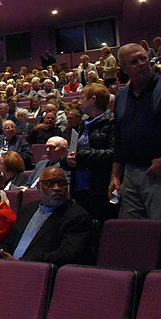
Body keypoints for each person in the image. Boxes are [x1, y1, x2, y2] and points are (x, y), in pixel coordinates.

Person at [111, 43, 161, 226]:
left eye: (143, 58)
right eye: (134, 62)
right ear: (123, 68)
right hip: (131, 175)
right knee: (136, 233)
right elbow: (119, 139)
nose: (141, 63)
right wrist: (115, 176)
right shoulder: (121, 97)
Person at [0, 166, 92, 265]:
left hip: (39, 270)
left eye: (62, 183)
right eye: (49, 183)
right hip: (10, 266)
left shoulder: (77, 216)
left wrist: (22, 261)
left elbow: (67, 254)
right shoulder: (27, 210)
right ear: (38, 187)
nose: (57, 188)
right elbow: (9, 242)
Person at [67, 82, 117, 221]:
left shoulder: (112, 122)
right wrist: (68, 160)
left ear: (93, 99)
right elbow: (74, 151)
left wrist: (81, 156)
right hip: (81, 187)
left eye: (83, 98)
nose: (79, 102)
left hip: (100, 187)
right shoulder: (83, 124)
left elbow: (113, 154)